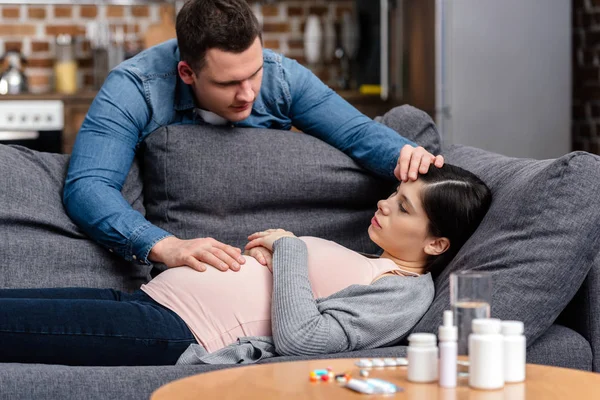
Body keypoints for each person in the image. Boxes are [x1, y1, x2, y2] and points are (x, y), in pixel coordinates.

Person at [63, 0, 444, 275]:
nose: (248, 93)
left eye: (254, 73)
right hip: (182, 255)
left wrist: (405, 156)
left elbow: (358, 133)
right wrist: (167, 246)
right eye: (229, 83)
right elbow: (88, 186)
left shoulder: (281, 76)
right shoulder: (135, 87)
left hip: (268, 247)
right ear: (186, 72)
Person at [0, 164, 491, 366]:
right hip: (147, 302)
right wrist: (273, 262)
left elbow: (305, 339)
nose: (384, 205)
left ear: (436, 243)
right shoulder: (373, 260)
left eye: (404, 207)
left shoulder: (405, 294)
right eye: (393, 194)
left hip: (173, 331)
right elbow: (296, 297)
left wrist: (290, 250)